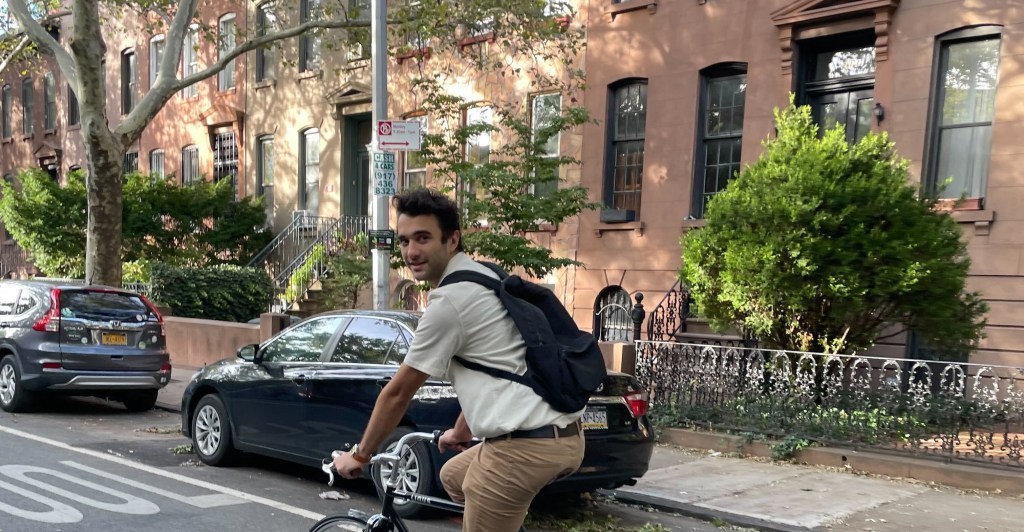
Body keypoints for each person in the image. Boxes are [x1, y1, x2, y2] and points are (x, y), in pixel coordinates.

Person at [333, 188, 585, 531]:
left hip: (523, 450)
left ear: (452, 240)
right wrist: (460, 430)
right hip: (563, 438)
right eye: (404, 241)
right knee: (452, 476)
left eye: (423, 238)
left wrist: (360, 455)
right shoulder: (486, 276)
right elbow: (498, 366)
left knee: (481, 489)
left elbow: (398, 393)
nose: (411, 251)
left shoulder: (450, 301)